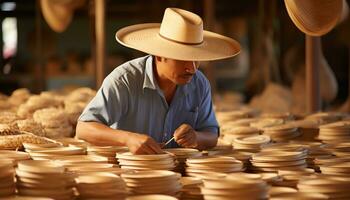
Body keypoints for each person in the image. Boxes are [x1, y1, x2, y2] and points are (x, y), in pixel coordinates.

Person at [76, 7, 240, 154]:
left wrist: (196, 137)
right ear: (160, 54)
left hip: (179, 177)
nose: (192, 68)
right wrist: (128, 139)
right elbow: (83, 129)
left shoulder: (199, 83)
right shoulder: (124, 80)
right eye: (183, 58)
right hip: (130, 175)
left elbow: (211, 136)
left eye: (196, 59)